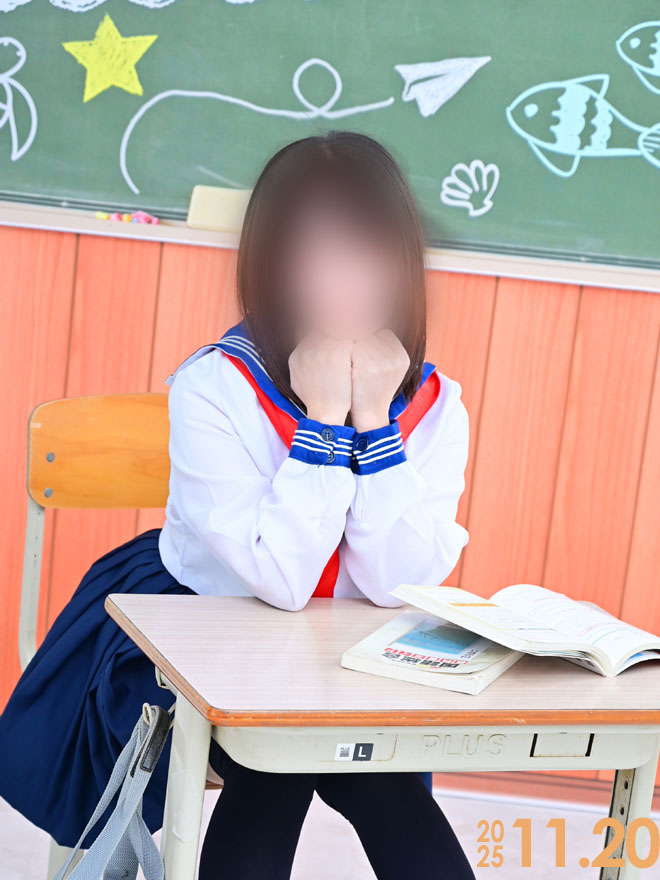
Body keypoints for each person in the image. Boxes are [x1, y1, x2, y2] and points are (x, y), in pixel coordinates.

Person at [0, 131, 474, 880]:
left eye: (367, 252)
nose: (346, 280)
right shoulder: (215, 387)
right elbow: (279, 581)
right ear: (272, 264)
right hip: (191, 633)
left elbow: (396, 584)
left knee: (379, 778)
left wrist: (377, 424)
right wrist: (325, 422)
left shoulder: (436, 406)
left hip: (341, 657)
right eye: (317, 254)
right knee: (274, 759)